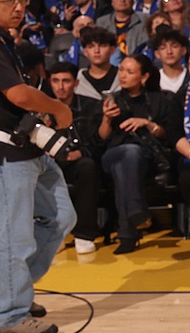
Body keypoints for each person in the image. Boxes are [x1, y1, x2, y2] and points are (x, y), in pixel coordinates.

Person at [0, 0, 76, 333]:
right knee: (15, 237)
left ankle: (12, 287)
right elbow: (18, 95)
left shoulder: (2, 38)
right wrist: (58, 107)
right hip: (2, 155)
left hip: (27, 148)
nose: (19, 6)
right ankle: (11, 314)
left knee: (61, 217)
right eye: (9, 0)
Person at [97, 54, 179, 254]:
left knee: (126, 164)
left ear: (144, 77)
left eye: (130, 71)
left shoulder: (160, 99)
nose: (123, 75)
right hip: (112, 154)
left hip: (148, 157)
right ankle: (136, 211)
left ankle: (128, 232)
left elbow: (169, 135)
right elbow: (101, 138)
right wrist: (107, 119)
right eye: (121, 70)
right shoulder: (112, 100)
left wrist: (147, 123)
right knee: (128, 154)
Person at [45, 62, 106, 254]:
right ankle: (54, 234)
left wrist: (81, 152)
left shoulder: (91, 106)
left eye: (66, 81)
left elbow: (99, 142)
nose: (60, 86)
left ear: (76, 83)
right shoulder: (42, 107)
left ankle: (84, 234)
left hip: (80, 160)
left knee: (87, 166)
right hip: (49, 162)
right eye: (55, 81)